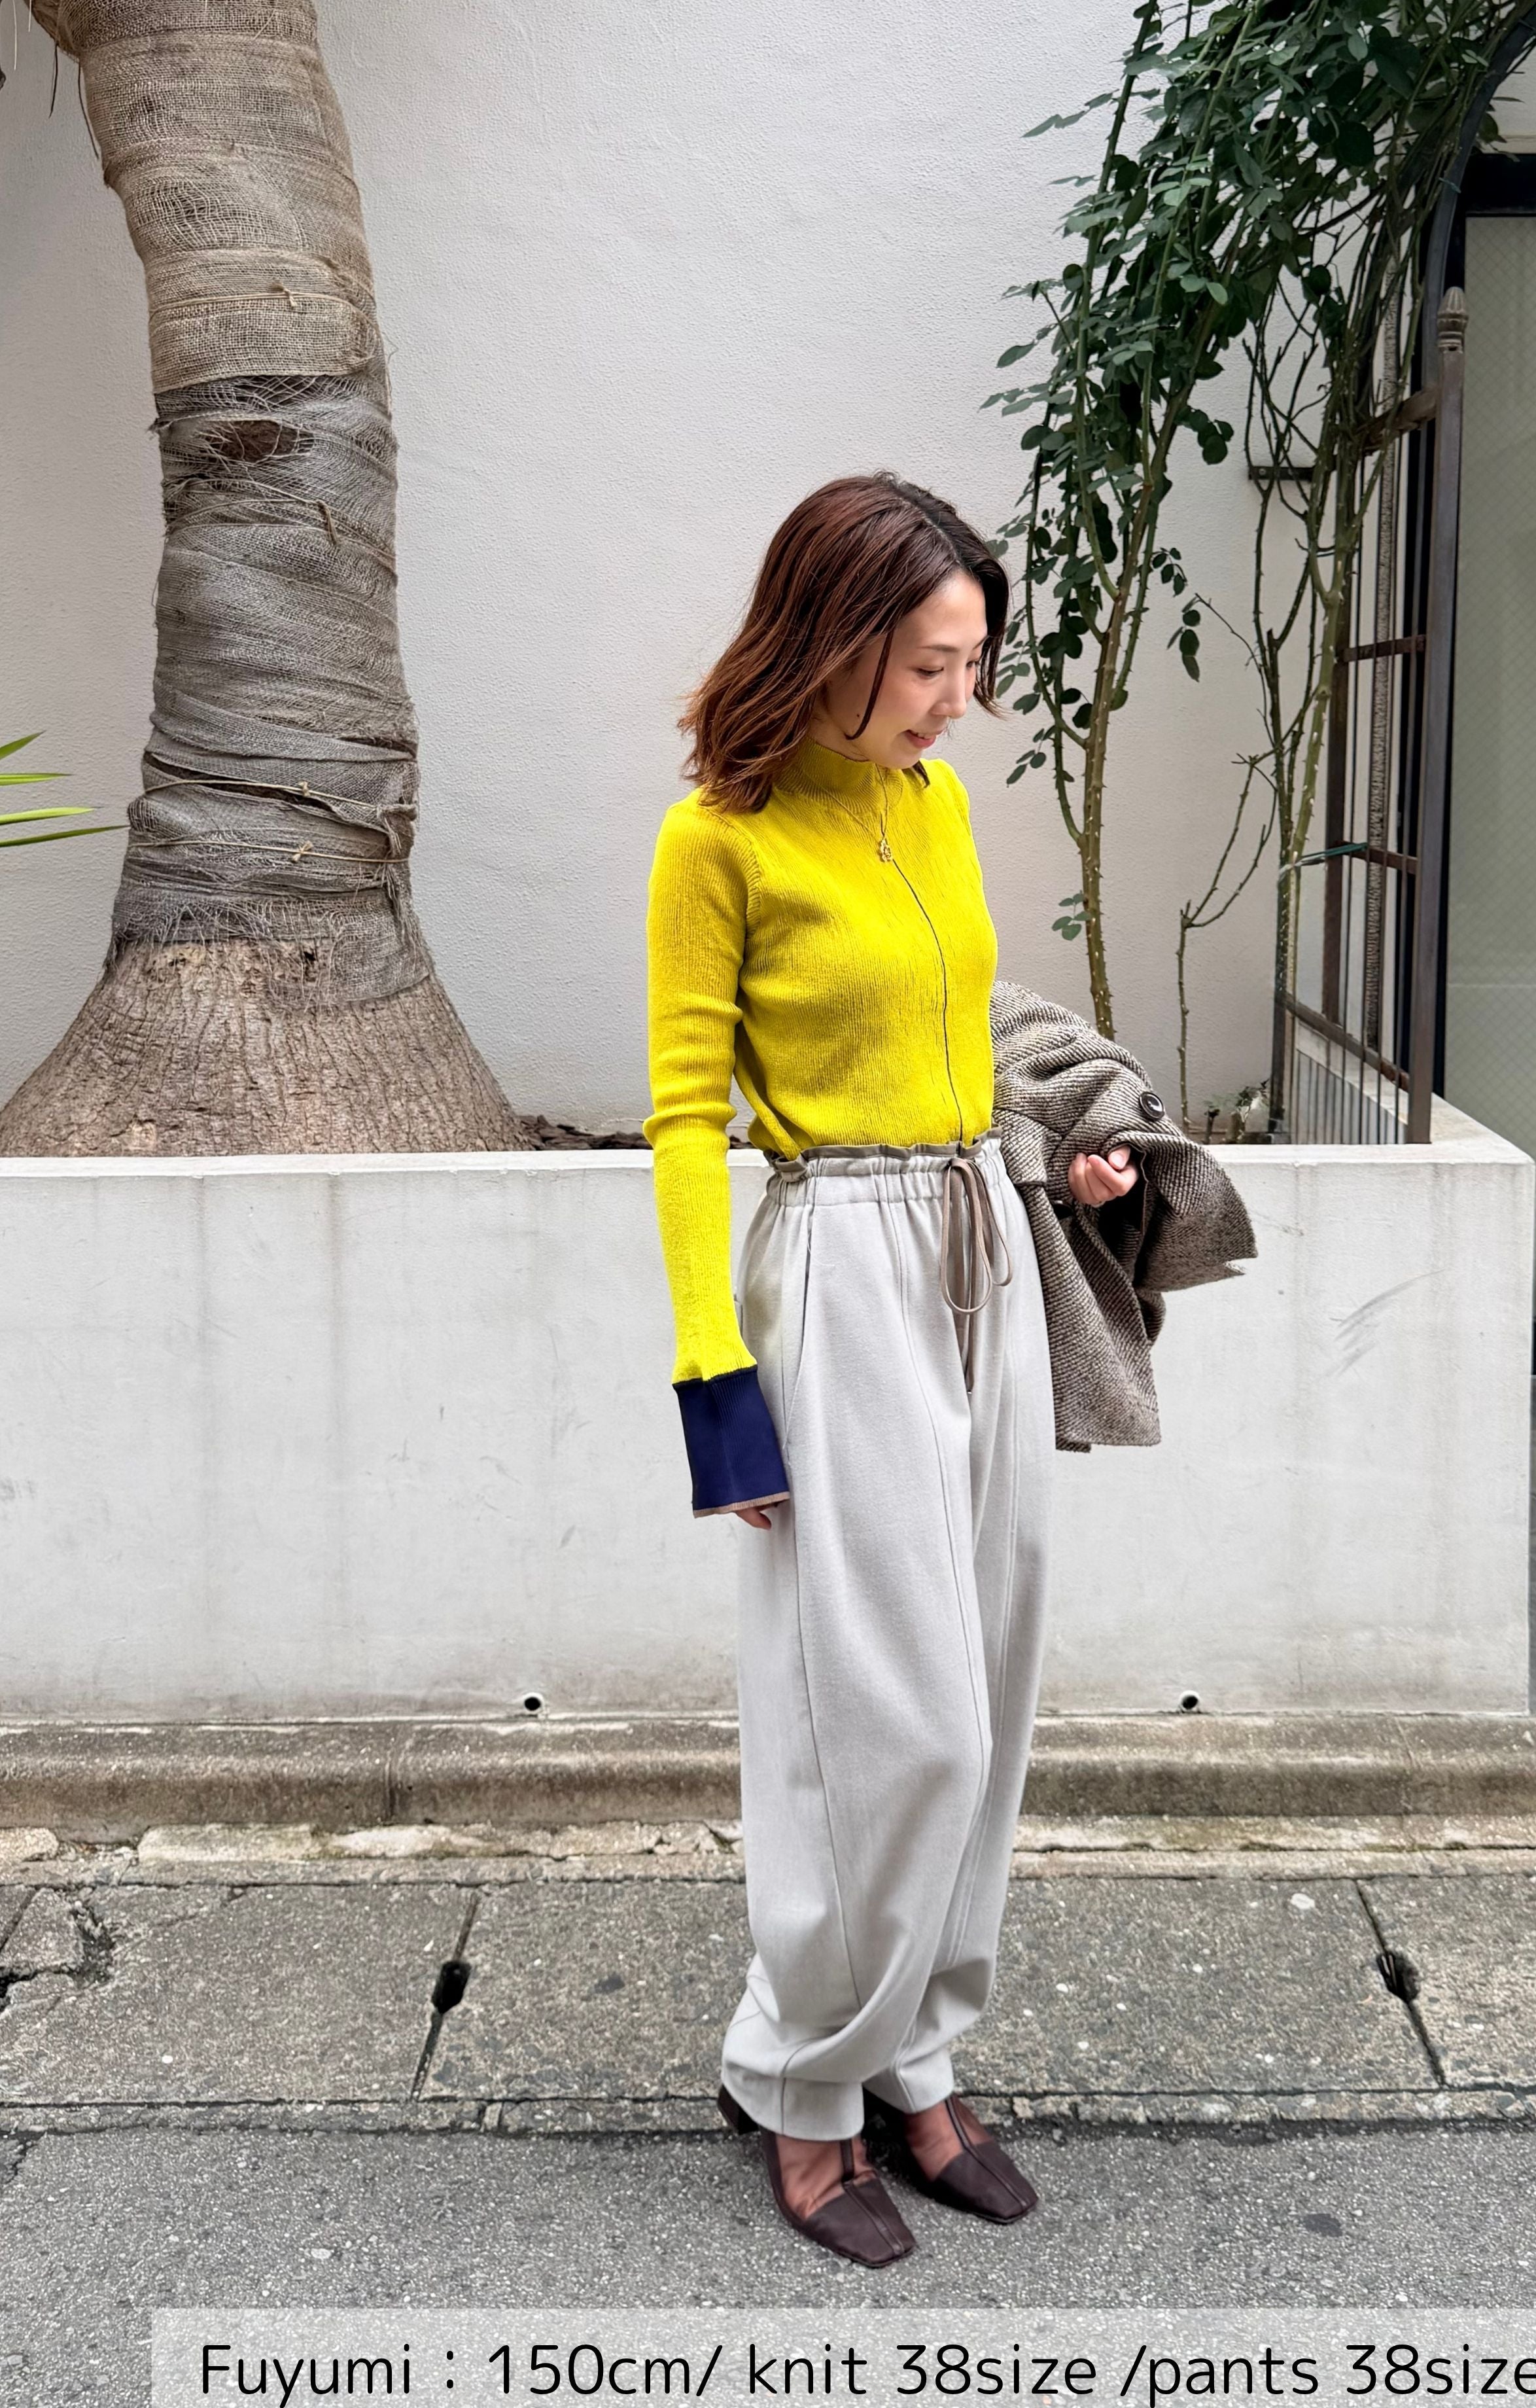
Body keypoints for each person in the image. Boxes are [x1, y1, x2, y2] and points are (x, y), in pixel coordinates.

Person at [644, 473, 1138, 2267]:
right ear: (833, 643)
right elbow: (682, 1120)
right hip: (835, 1270)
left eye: (971, 663)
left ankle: (915, 2054)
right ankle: (802, 2081)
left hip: (978, 1245)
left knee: (987, 1689)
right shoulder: (717, 842)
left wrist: (1052, 1162)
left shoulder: (933, 808)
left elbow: (955, 1043)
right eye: (929, 664)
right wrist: (717, 1386)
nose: (956, 701)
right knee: (874, 1714)